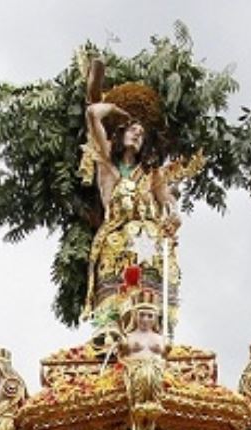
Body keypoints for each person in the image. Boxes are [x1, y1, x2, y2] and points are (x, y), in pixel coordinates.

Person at [81, 58, 181, 328]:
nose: (137, 135)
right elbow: (93, 115)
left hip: (149, 243)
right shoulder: (108, 168)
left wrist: (174, 216)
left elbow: (169, 203)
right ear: (120, 133)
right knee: (115, 301)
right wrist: (114, 109)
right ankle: (111, 333)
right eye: (132, 130)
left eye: (141, 133)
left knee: (150, 304)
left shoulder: (153, 175)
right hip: (116, 243)